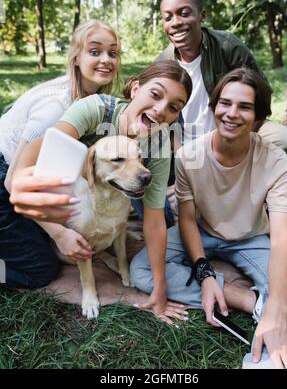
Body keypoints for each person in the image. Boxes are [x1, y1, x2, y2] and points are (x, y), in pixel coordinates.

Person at [130, 68, 287, 369]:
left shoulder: (275, 161)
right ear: (214, 107)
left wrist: (277, 311)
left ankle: (269, 359)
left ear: (258, 117)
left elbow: (283, 237)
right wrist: (206, 275)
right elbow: (186, 219)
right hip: (202, 231)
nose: (232, 113)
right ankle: (246, 300)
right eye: (225, 103)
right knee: (142, 270)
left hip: (251, 237)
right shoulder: (188, 156)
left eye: (244, 106)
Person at [9, 60, 193, 325]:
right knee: (40, 267)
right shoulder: (93, 109)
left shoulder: (160, 142)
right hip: (12, 172)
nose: (161, 110)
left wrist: (159, 288)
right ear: (136, 88)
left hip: (109, 186)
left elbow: (153, 222)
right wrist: (60, 233)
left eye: (174, 107)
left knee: (163, 216)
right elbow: (23, 178)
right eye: (155, 94)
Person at [0, 19, 121, 288]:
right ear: (76, 58)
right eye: (95, 51)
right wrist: (59, 234)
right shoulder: (56, 108)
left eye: (112, 53)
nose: (106, 60)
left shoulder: (93, 103)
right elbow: (13, 183)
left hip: (25, 177)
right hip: (4, 176)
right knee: (41, 268)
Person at [157, 0, 287, 166]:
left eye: (184, 13)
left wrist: (236, 139)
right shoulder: (162, 64)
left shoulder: (227, 46)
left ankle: (255, 184)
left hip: (232, 132)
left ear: (202, 15)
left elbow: (261, 97)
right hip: (184, 145)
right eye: (167, 18)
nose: (175, 22)